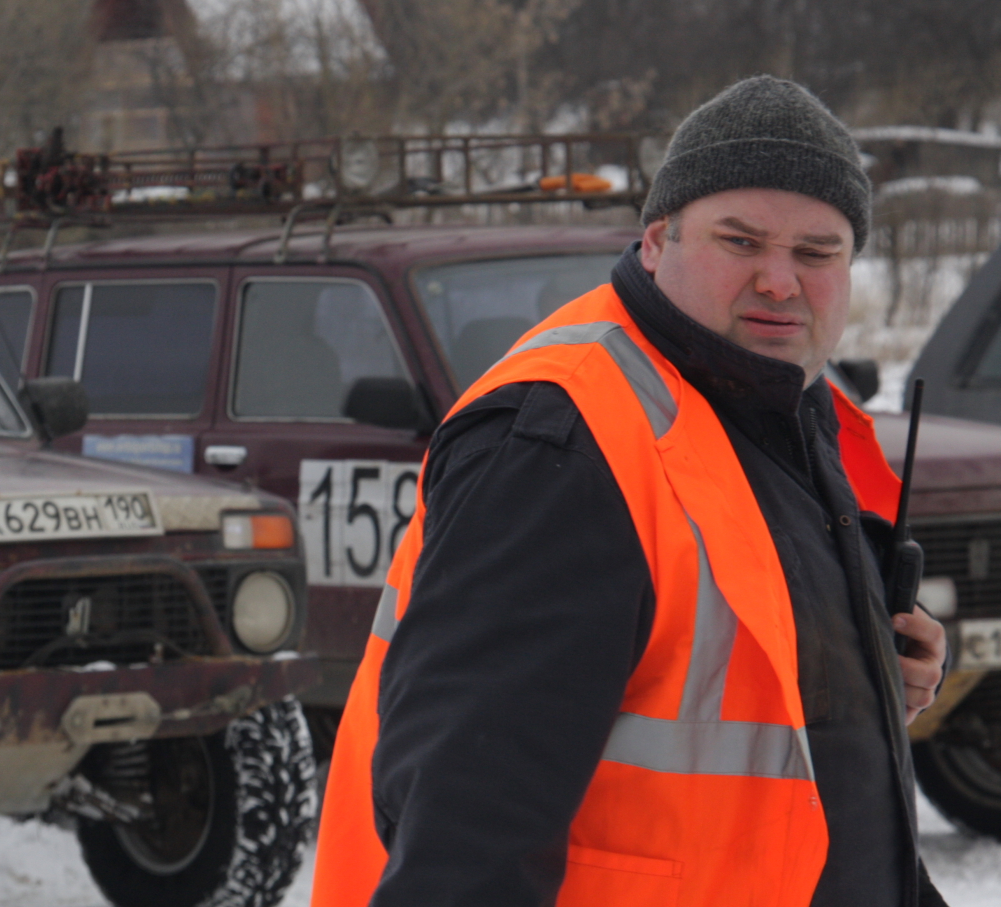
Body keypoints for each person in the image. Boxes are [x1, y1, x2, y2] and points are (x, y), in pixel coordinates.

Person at [312, 76, 950, 907]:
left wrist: (862, 677)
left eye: (817, 252)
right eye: (741, 241)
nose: (779, 280)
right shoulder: (564, 440)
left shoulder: (778, 407)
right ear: (656, 241)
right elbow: (466, 831)